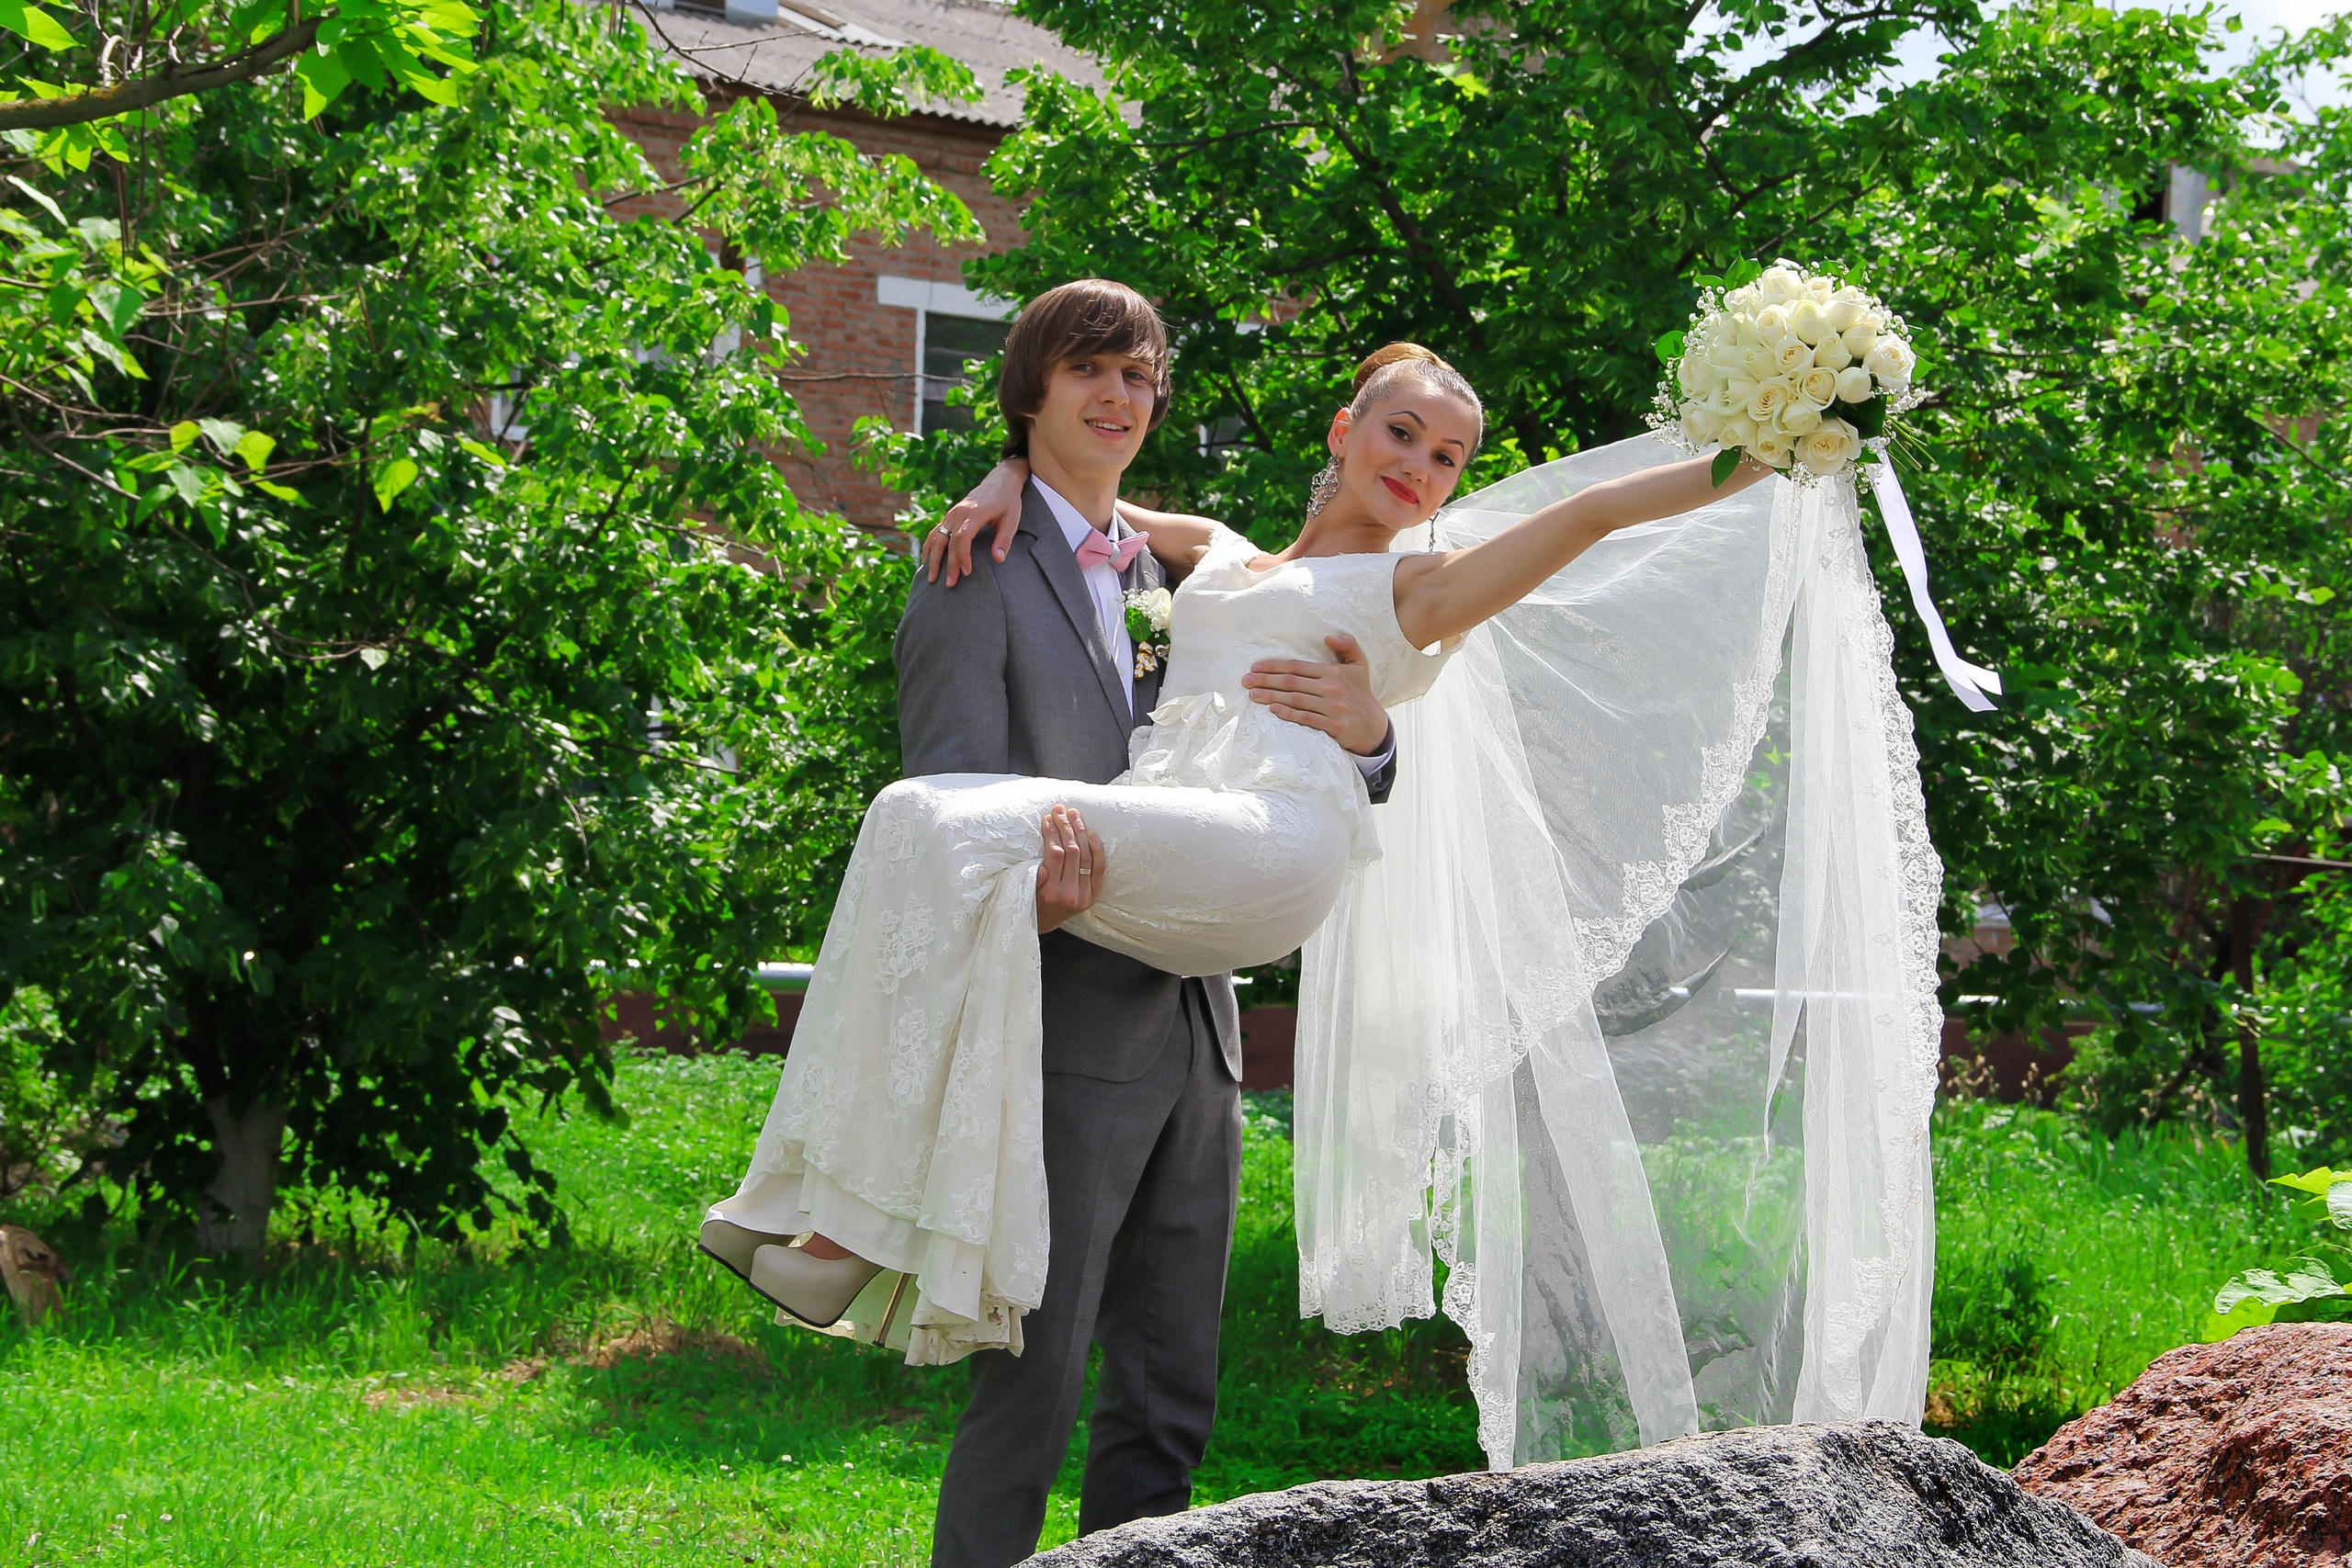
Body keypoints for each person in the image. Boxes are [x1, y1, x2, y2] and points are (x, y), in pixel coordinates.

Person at [705, 279, 1404, 1568]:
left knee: (1171, 1394)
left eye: (1140, 376)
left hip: (1198, 1029)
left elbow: (1295, 743)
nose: (1119, 396)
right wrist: (1029, 902)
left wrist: (1373, 743)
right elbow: (949, 815)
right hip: (1060, 1027)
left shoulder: (1186, 571)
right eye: (1090, 369)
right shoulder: (971, 570)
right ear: (1031, 388)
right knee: (1030, 1387)